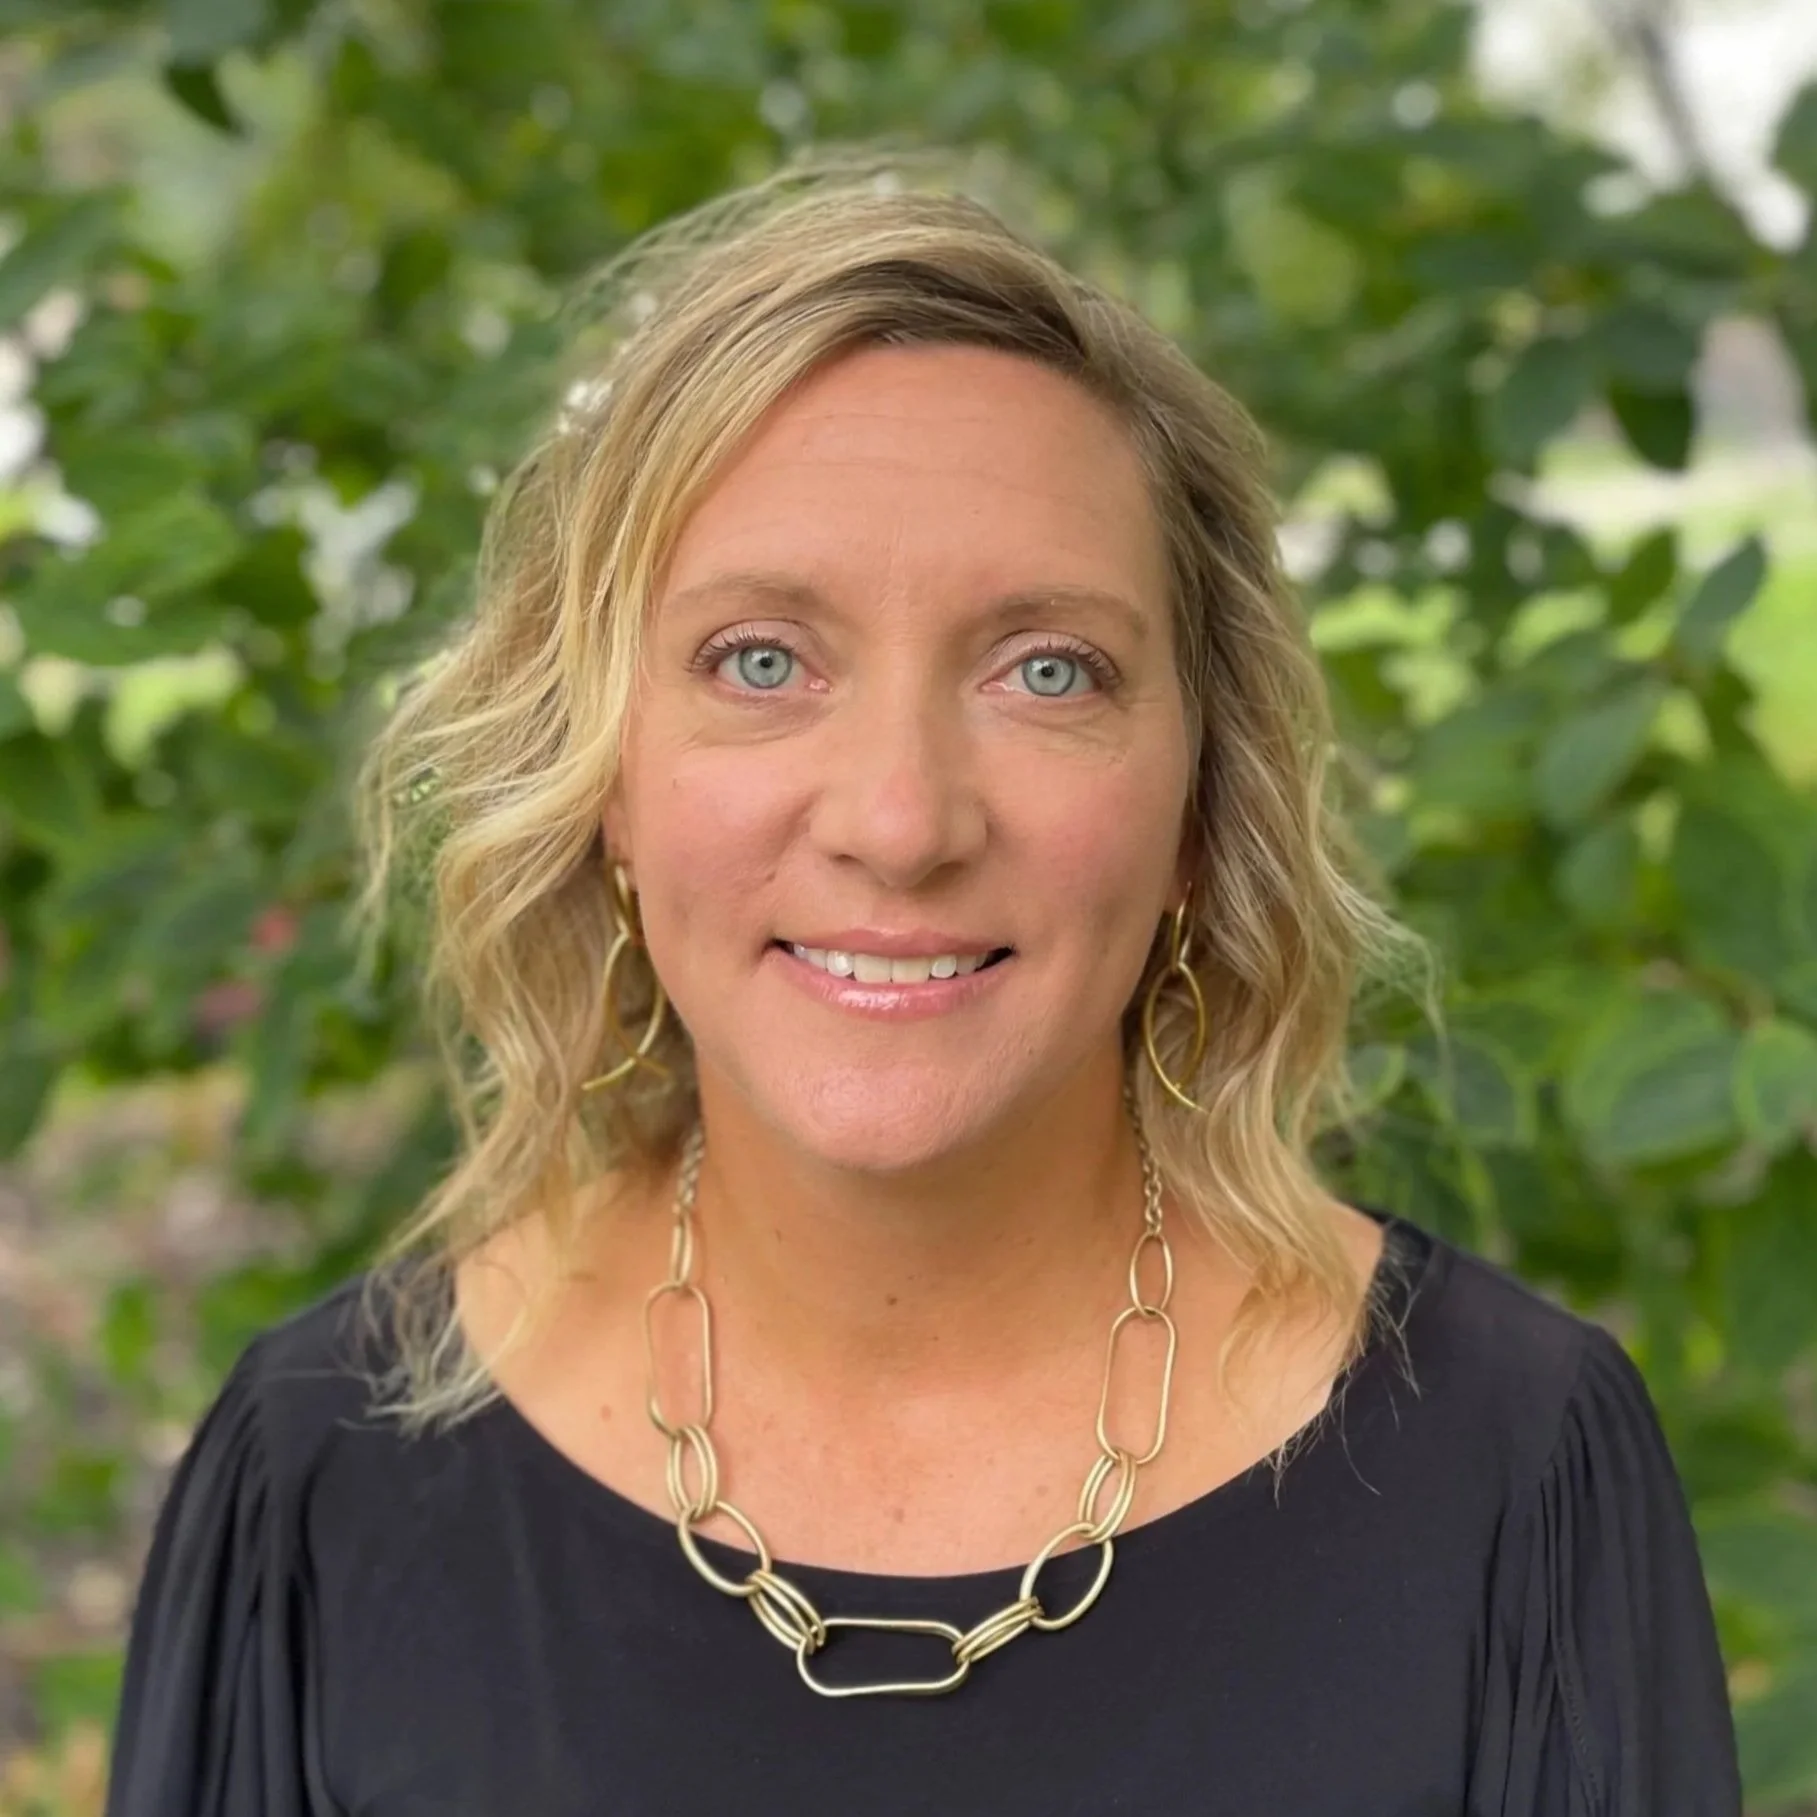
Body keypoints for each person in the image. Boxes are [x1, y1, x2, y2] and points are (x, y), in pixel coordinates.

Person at [103, 154, 1742, 1815]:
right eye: (761, 660)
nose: (899, 824)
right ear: (604, 780)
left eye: (1049, 671)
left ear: (1203, 803)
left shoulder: (1512, 1475)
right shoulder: (325, 1486)